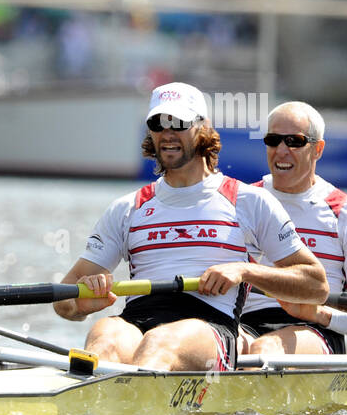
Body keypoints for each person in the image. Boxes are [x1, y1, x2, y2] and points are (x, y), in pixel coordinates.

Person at [53, 82, 328, 371]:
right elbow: (63, 299)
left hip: (210, 328)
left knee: (161, 341)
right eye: (159, 123)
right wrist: (79, 306)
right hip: (136, 321)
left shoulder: (249, 201)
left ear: (204, 128)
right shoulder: (128, 208)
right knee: (105, 336)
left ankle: (129, 401)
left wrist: (245, 271)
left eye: (179, 123)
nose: (168, 134)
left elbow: (316, 285)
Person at [239, 101, 347, 356]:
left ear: (318, 149)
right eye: (273, 140)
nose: (282, 150)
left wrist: (316, 312)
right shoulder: (240, 202)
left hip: (315, 328)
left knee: (264, 350)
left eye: (294, 141)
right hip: (243, 325)